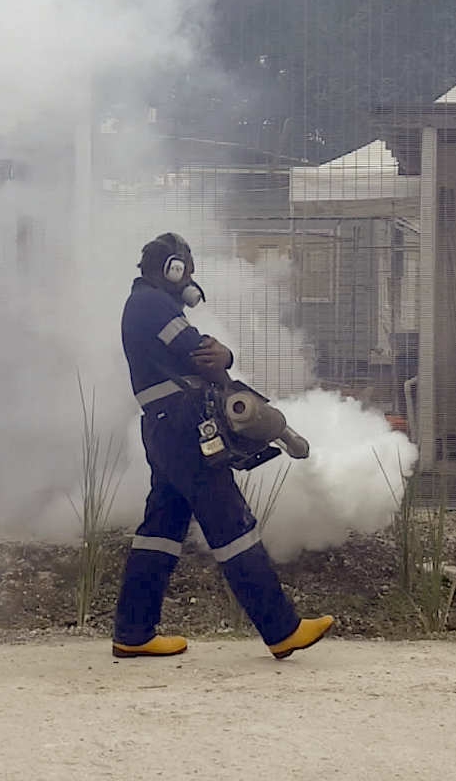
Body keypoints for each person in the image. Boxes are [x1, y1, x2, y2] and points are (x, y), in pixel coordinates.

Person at [112, 231, 334, 660]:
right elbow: (201, 353)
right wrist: (227, 356)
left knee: (160, 530)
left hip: (163, 427)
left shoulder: (144, 303)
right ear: (172, 269)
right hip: (181, 425)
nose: (191, 280)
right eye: (188, 271)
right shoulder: (153, 303)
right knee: (232, 524)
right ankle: (281, 628)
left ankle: (134, 632)